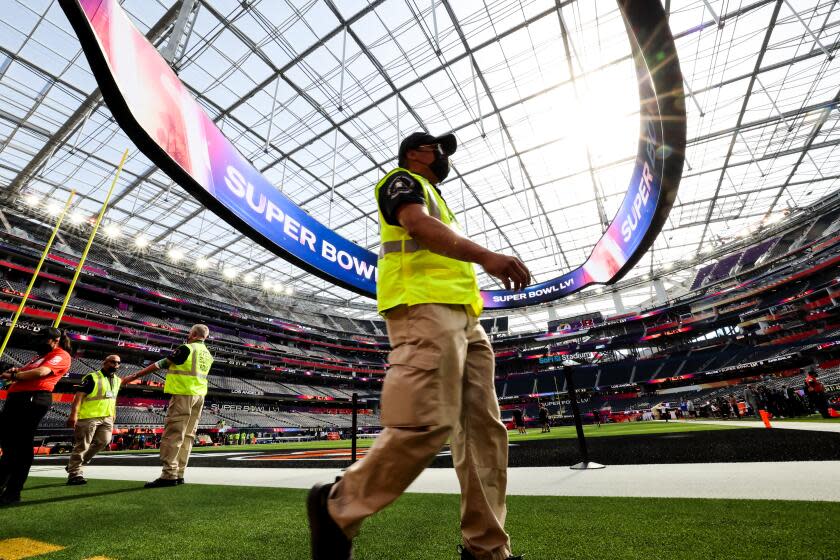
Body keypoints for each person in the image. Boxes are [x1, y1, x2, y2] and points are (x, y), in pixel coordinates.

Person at [307, 131, 530, 560]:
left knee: (485, 434)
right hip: (423, 308)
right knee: (425, 420)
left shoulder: (436, 195)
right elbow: (417, 225)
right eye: (437, 147)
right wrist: (487, 257)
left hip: (467, 318)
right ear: (414, 153)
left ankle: (486, 549)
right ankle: (338, 506)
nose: (444, 155)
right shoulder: (401, 181)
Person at [123, 324, 213, 487]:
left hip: (183, 394)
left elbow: (161, 364)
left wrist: (134, 375)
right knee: (188, 436)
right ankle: (179, 473)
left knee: (174, 434)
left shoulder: (187, 348)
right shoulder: (207, 354)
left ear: (192, 334)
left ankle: (169, 475)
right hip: (199, 396)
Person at [0, 327, 73, 505]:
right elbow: (23, 374)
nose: (39, 341)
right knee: (8, 443)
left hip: (33, 398)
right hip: (17, 398)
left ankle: (13, 492)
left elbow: (41, 373)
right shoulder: (38, 357)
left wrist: (15, 374)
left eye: (43, 338)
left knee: (21, 444)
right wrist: (15, 373)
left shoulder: (61, 354)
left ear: (55, 340)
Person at [65, 355, 122, 485]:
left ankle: (74, 465)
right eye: (113, 362)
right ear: (105, 362)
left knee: (104, 441)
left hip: (107, 417)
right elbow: (78, 396)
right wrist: (73, 415)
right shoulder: (92, 377)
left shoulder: (118, 380)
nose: (115, 365)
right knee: (82, 445)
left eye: (118, 363)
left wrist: (114, 413)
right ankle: (75, 474)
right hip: (89, 416)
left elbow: (113, 398)